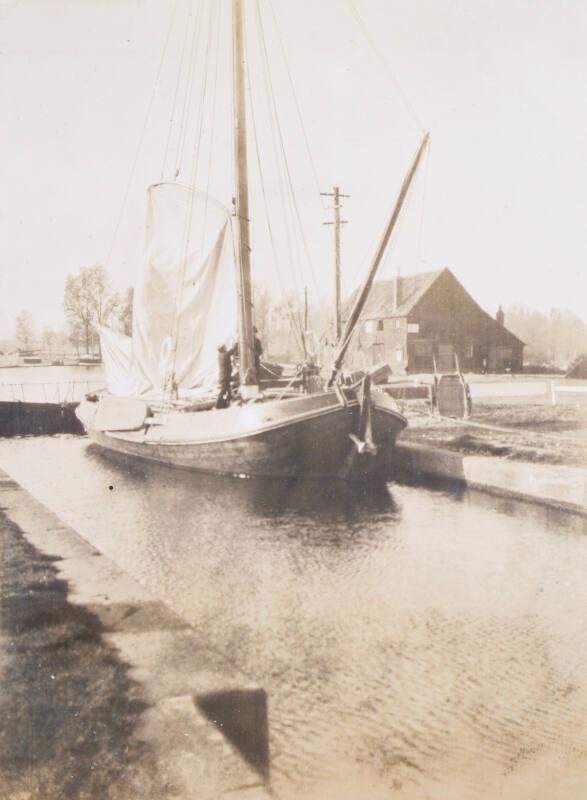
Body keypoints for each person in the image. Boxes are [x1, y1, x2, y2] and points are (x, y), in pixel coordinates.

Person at [215, 344, 233, 409]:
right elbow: (232, 351)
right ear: (222, 349)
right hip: (225, 377)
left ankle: (229, 402)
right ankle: (217, 405)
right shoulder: (224, 355)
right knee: (223, 391)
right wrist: (237, 343)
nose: (226, 348)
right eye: (225, 347)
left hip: (224, 376)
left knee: (228, 389)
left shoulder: (220, 355)